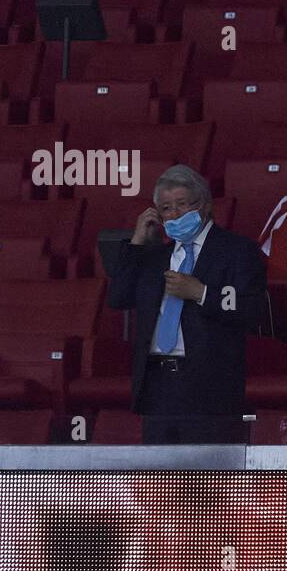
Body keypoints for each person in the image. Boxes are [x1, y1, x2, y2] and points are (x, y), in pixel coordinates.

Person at [108, 164, 267, 444]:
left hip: (209, 384)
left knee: (207, 480)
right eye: (167, 208)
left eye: (182, 205)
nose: (174, 214)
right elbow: (119, 297)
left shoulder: (238, 250)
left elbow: (252, 310)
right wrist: (136, 241)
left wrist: (201, 293)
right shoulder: (155, 257)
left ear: (203, 205)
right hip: (156, 384)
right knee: (160, 481)